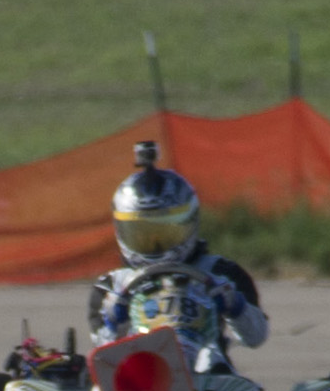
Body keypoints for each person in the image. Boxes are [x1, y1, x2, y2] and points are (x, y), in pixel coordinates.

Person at [87, 141, 268, 375]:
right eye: (142, 233)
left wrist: (235, 306)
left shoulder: (220, 273)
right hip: (138, 385)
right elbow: (101, 349)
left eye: (166, 231)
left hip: (210, 382)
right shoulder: (112, 287)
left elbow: (257, 337)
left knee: (217, 364)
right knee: (97, 385)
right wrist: (114, 320)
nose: (155, 243)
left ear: (189, 223)